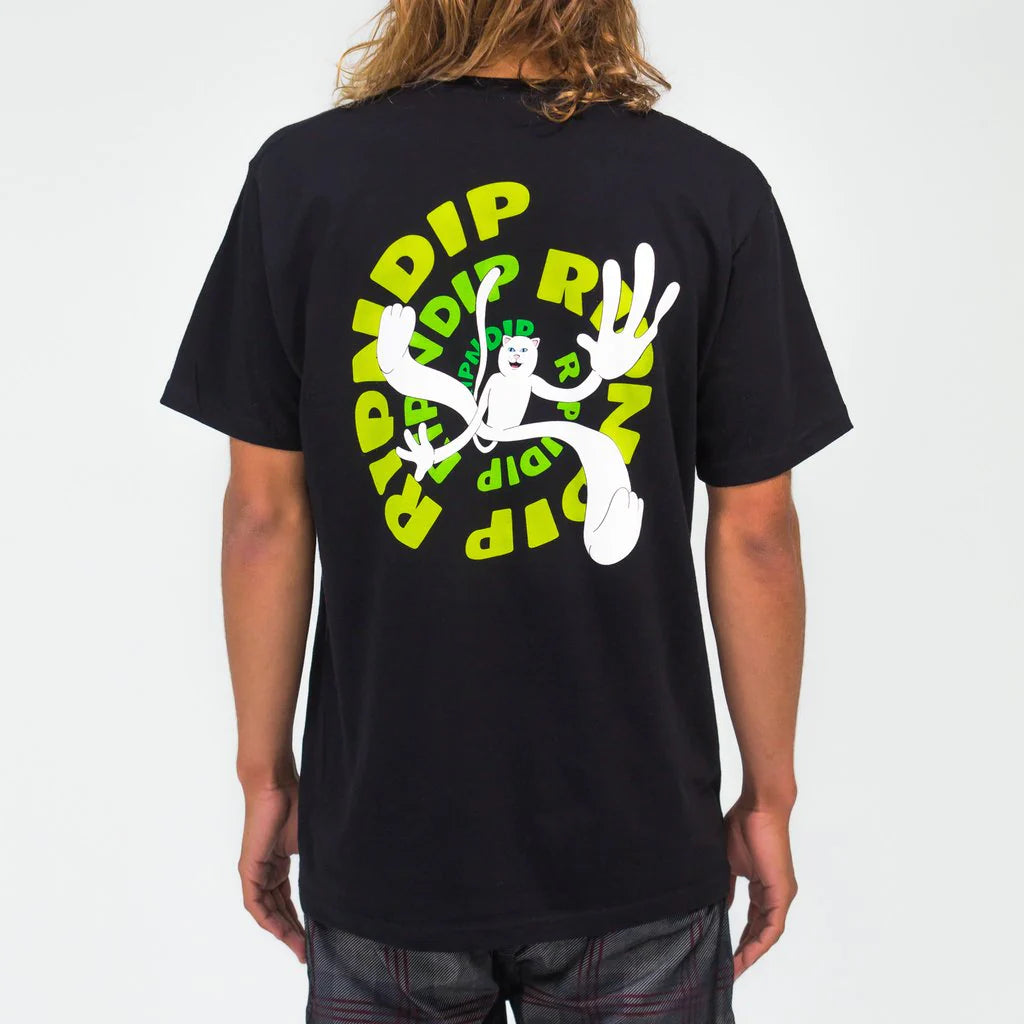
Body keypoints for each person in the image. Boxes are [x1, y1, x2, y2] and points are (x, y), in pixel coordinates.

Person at [160, 2, 851, 1020]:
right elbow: (756, 533)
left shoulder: (305, 179)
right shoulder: (709, 189)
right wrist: (768, 794)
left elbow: (263, 517)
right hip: (636, 843)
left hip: (387, 839)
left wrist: (265, 776)